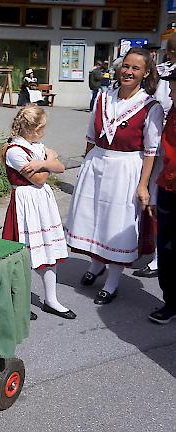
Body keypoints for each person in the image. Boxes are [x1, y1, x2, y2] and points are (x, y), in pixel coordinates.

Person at [64, 48, 164, 305]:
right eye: (126, 66)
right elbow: (90, 135)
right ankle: (96, 264)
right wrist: (86, 164)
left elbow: (151, 151)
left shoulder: (150, 106)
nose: (128, 72)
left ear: (146, 73)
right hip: (97, 162)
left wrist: (143, 185)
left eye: (136, 68)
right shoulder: (102, 97)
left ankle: (113, 280)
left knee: (117, 223)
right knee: (94, 216)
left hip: (126, 167)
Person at [1, 105, 75, 320]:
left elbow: (59, 166)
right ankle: (18, 302)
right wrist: (49, 160)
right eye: (42, 128)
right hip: (25, 202)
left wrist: (43, 162)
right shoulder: (14, 151)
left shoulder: (37, 148)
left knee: (47, 248)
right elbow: (40, 179)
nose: (44, 132)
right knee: (23, 253)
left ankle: (51, 300)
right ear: (34, 129)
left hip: (42, 201)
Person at [134, 35, 176, 279]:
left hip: (163, 147)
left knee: (159, 202)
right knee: (156, 202)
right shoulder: (164, 74)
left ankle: (160, 257)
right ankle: (157, 252)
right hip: (162, 146)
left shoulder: (166, 75)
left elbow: (162, 103)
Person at [148, 67, 176, 324]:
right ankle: (171, 303)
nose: (171, 89)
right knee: (166, 250)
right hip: (168, 190)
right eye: (171, 85)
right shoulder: (171, 114)